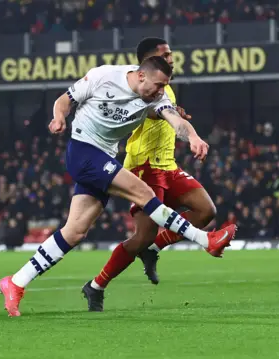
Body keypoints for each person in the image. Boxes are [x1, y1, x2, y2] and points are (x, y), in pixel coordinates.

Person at [0, 57, 237, 317]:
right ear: (141, 76)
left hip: (105, 157)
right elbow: (64, 100)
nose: (161, 91)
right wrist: (58, 118)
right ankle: (204, 239)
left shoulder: (154, 98)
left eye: (164, 86)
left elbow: (176, 121)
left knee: (75, 231)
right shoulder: (105, 76)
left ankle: (16, 282)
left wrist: (193, 136)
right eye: (158, 85)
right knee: (144, 193)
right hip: (83, 152)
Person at [84, 37, 217, 303]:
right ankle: (96, 286)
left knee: (206, 211)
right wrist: (187, 131)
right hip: (143, 167)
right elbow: (156, 111)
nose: (171, 58)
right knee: (142, 236)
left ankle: (154, 248)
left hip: (167, 165)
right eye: (165, 55)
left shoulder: (163, 86)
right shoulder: (141, 89)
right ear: (149, 61)